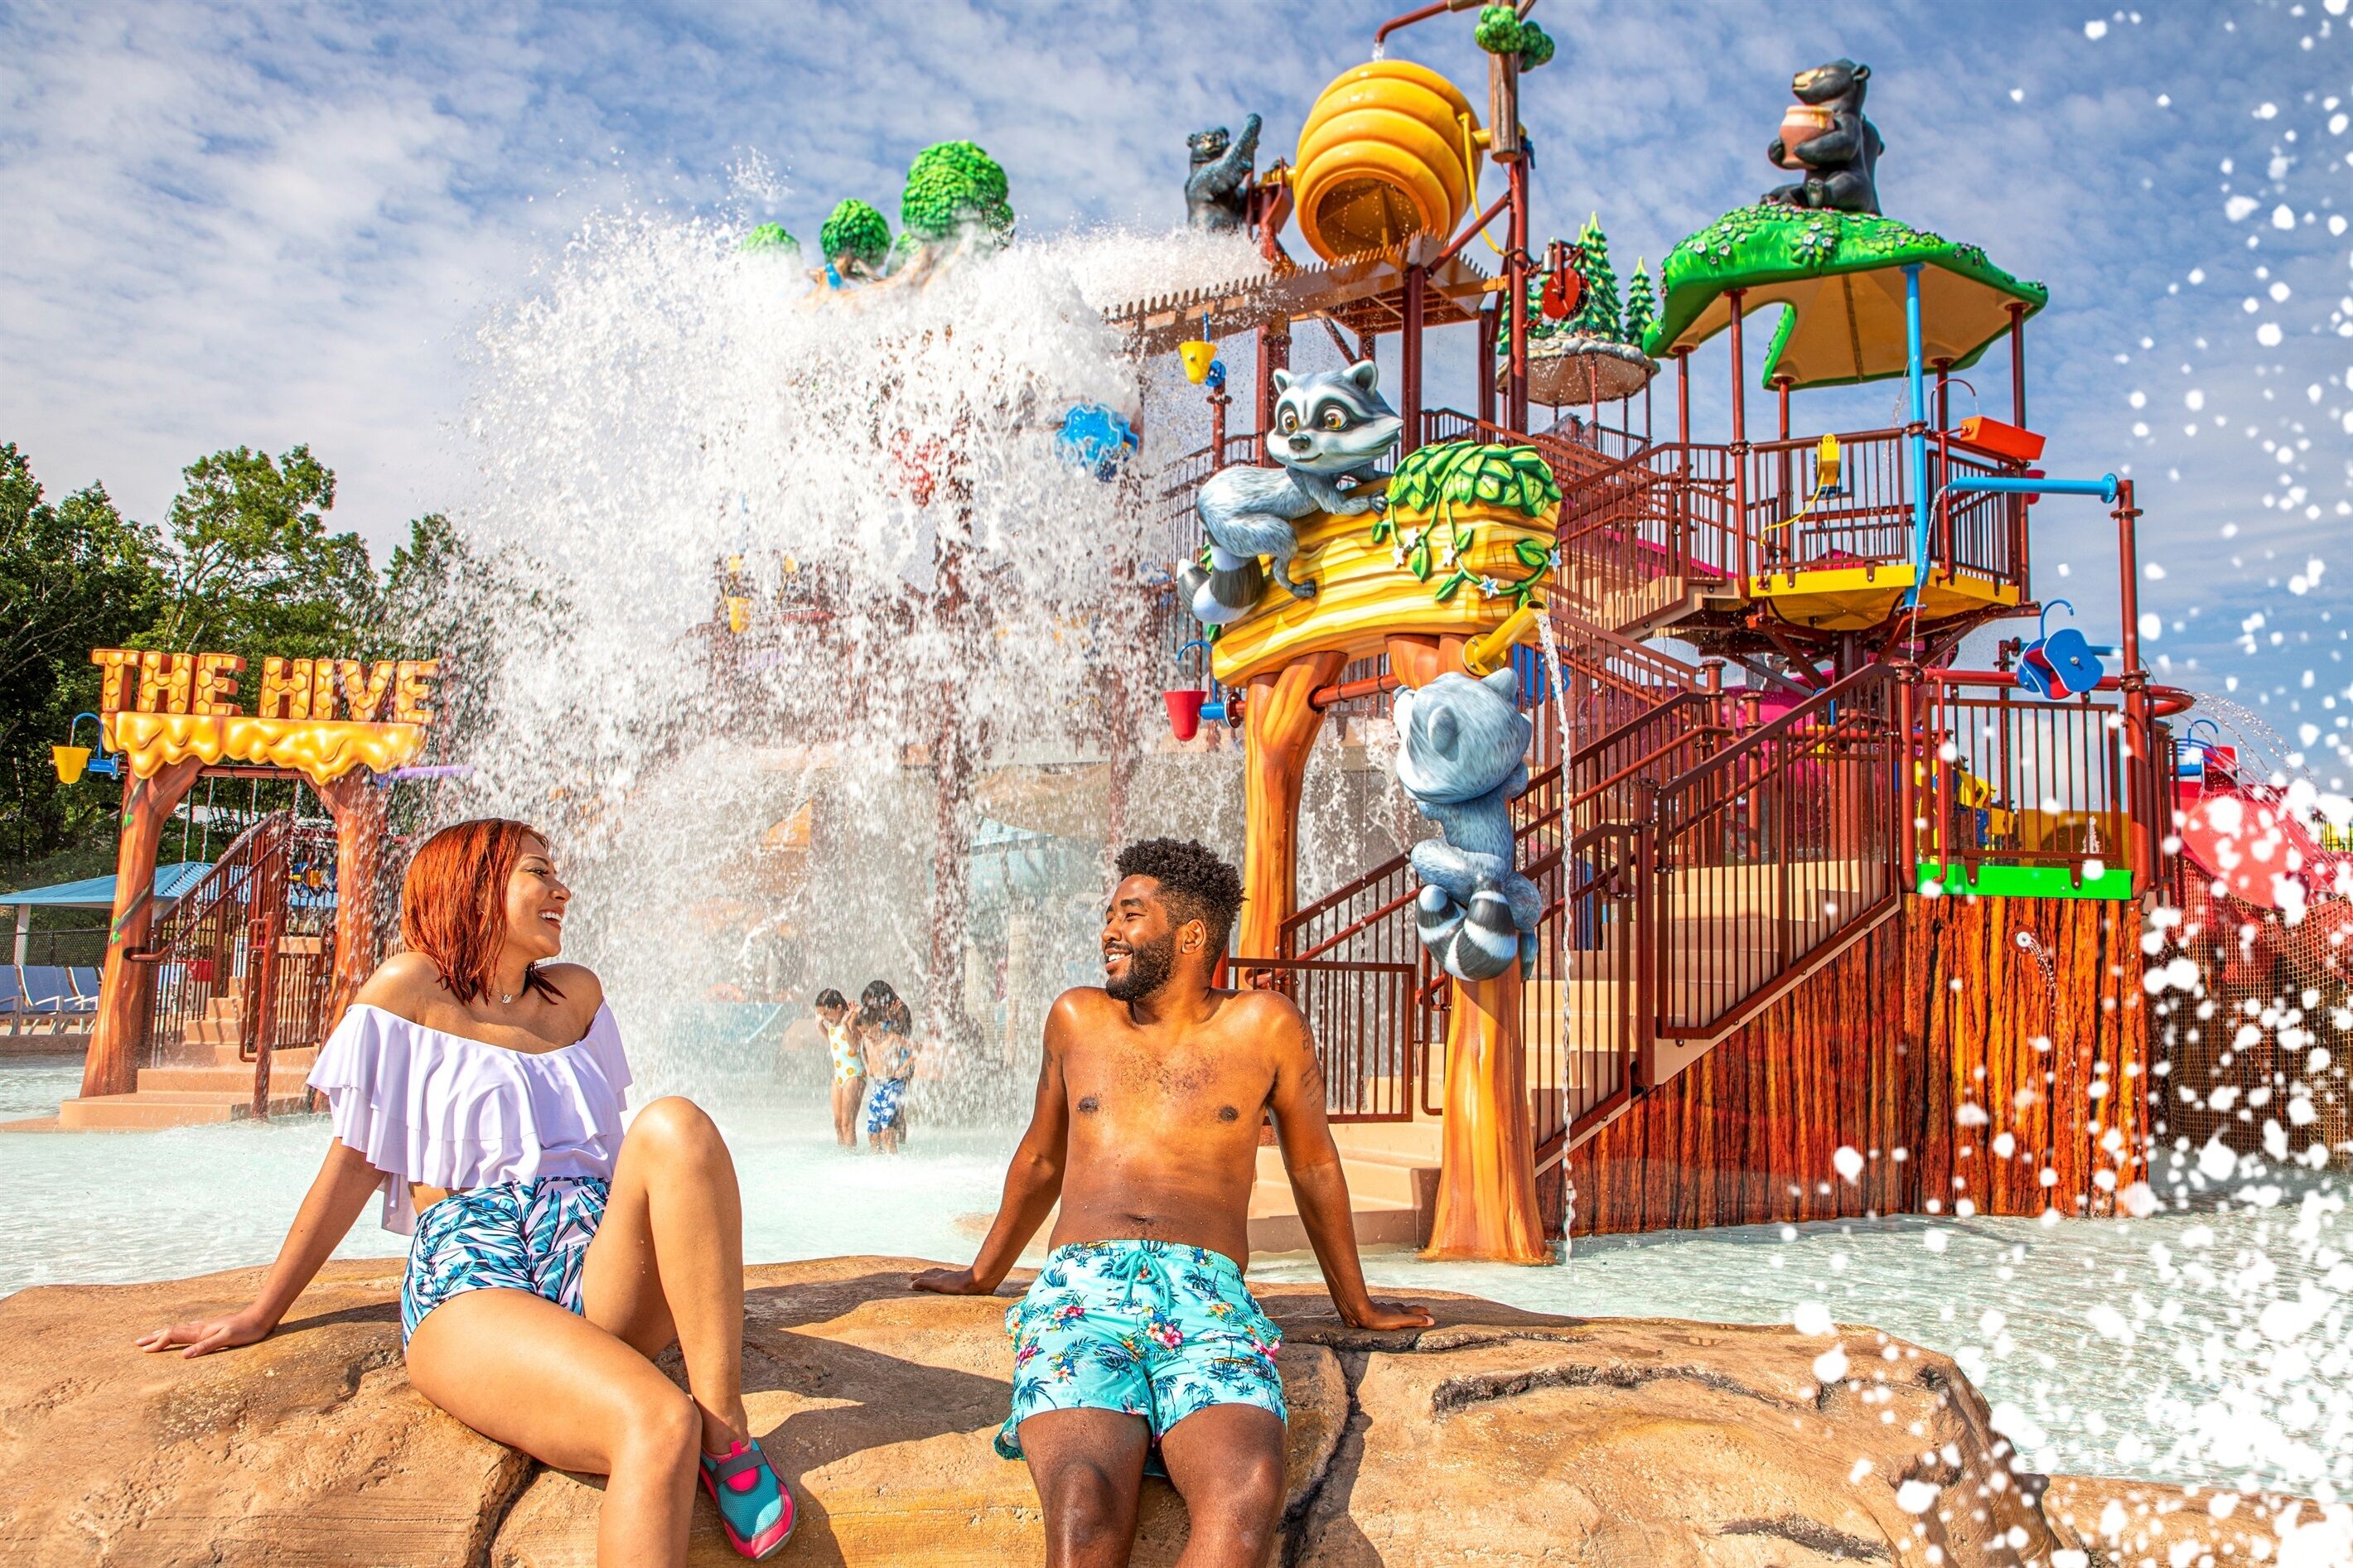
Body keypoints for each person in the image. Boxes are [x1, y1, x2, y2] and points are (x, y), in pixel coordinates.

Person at [137, 820, 793, 1565]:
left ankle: (727, 1430)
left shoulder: (576, 995)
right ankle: (687, 1429)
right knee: (654, 1421)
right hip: (476, 1270)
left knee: (675, 1124)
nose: (561, 890)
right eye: (538, 874)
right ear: (476, 885)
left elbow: (622, 1160)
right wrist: (262, 1311)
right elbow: (354, 1161)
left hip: (591, 1259)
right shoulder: (409, 989)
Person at [913, 837, 1433, 1568]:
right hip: (1080, 1294)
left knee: (1248, 1490)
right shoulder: (1076, 1018)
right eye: (1109, 915)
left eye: (1130, 915)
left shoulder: (1265, 1026)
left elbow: (1314, 1166)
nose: (1108, 931)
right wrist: (979, 1275)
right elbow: (1040, 1157)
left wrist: (1358, 1303)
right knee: (1083, 1498)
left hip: (1207, 1299)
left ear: (1191, 935)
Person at [858, 979, 916, 1155]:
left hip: (900, 1062)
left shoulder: (899, 1009)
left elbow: (902, 1034)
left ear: (881, 997)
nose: (869, 1006)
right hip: (885, 1067)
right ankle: (889, 1143)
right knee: (887, 1111)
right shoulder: (880, 1013)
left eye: (870, 1001)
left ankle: (898, 1143)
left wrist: (890, 1020)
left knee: (896, 1110)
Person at [817, 987, 862, 1147]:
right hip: (839, 1076)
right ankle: (843, 1156)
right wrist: (819, 1026)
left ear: (838, 1008)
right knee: (838, 1123)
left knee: (847, 1123)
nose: (825, 1018)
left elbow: (854, 1047)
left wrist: (845, 1025)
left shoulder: (850, 1018)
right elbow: (834, 1044)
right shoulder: (832, 1024)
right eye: (822, 1014)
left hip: (854, 1075)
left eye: (826, 1014)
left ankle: (850, 1160)